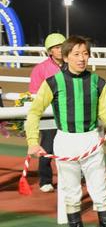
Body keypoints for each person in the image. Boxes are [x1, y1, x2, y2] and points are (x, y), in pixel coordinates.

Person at [26, 35, 106, 227]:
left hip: (91, 140)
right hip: (65, 141)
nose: (82, 58)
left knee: (100, 191)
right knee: (71, 193)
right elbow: (34, 112)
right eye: (76, 54)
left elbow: (104, 112)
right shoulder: (53, 82)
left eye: (85, 54)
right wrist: (32, 142)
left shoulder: (98, 82)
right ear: (66, 56)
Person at [28, 33, 66, 192]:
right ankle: (45, 180)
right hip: (48, 114)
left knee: (69, 147)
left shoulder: (72, 65)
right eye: (57, 48)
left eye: (62, 47)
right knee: (47, 147)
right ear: (50, 51)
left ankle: (71, 178)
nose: (60, 50)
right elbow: (34, 93)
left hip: (67, 114)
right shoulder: (40, 69)